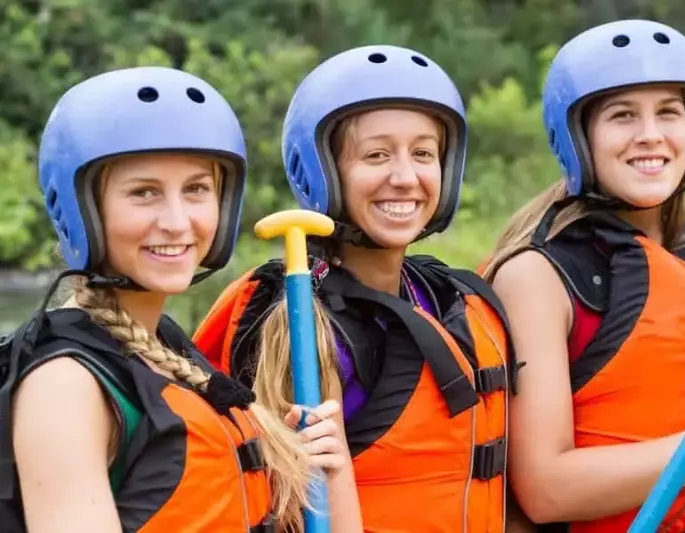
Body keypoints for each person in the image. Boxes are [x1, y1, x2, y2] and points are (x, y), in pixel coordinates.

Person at [0, 66, 359, 532]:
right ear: (80, 209)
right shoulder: (65, 385)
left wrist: (333, 470)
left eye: (195, 190)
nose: (176, 221)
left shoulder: (168, 351)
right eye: (144, 192)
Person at [483, 19, 685, 532]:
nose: (650, 136)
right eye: (622, 116)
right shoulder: (537, 276)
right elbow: (544, 490)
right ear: (577, 136)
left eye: (669, 113)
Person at [194, 45, 516, 532]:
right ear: (321, 169)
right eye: (376, 155)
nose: (405, 177)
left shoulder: (447, 297)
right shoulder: (300, 323)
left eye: (424, 153)